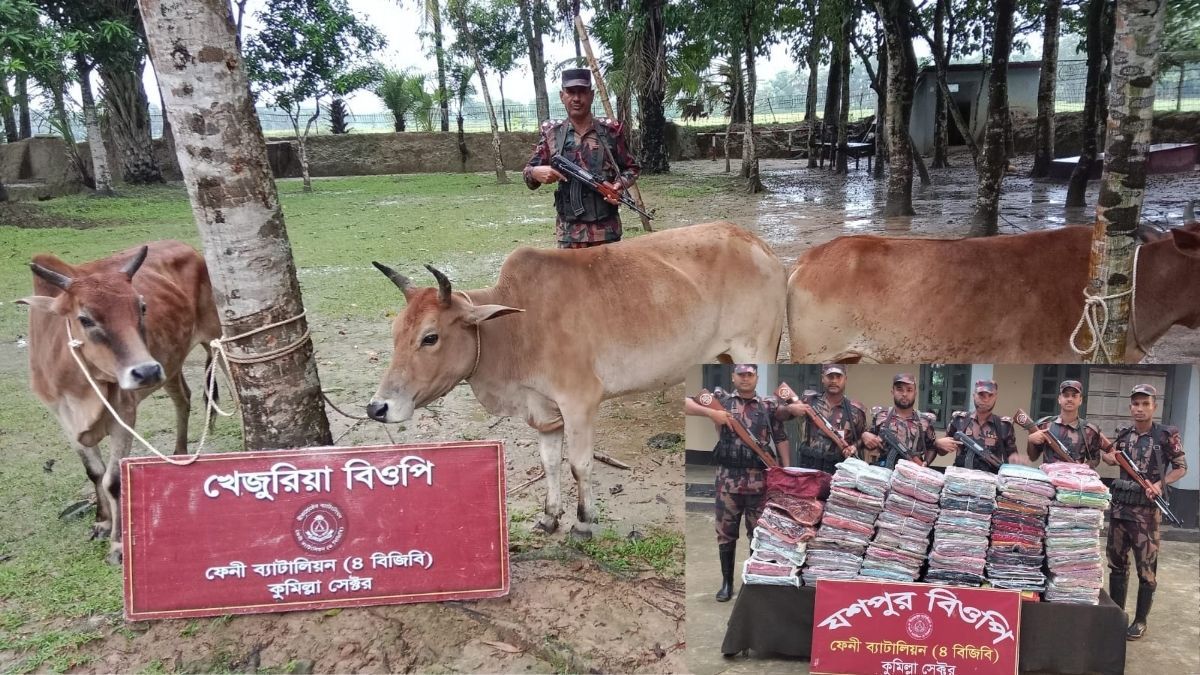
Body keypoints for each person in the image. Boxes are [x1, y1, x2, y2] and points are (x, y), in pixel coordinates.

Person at [684, 364, 790, 602]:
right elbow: (685, 404)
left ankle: (752, 582)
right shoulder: (721, 401)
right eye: (740, 374)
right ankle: (727, 583)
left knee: (758, 534)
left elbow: (781, 437)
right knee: (725, 534)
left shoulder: (767, 406)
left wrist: (784, 470)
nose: (745, 378)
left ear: (757, 378)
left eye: (749, 374)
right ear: (733, 377)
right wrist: (711, 413)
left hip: (759, 481)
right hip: (727, 481)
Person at [1102, 384, 1187, 640]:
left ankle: (1140, 620)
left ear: (1154, 407)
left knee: (1146, 570)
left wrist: (1160, 484)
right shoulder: (1124, 434)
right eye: (1136, 404)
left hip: (1147, 515)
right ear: (1131, 407)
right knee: (1117, 565)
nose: (1140, 409)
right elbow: (1109, 455)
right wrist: (1109, 458)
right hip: (1120, 510)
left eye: (1145, 404)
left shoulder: (1165, 435)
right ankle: (1117, 616)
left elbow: (1181, 467)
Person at [522, 68, 641, 249]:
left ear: (591, 95)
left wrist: (618, 186)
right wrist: (535, 172)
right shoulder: (552, 134)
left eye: (582, 92)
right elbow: (528, 175)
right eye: (571, 92)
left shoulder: (610, 132)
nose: (576, 98)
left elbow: (631, 168)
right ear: (562, 96)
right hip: (569, 235)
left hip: (606, 233)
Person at [778, 364, 866, 473]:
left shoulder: (855, 411)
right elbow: (778, 415)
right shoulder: (808, 401)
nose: (834, 381)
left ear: (845, 379)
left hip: (838, 473)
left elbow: (863, 438)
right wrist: (789, 409)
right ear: (822, 378)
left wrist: (854, 447)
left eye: (838, 377)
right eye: (830, 376)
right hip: (809, 469)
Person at [934, 379, 1017, 472]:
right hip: (961, 477)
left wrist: (1016, 460)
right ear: (974, 396)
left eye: (990, 395)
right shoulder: (959, 420)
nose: (986, 399)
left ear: (996, 397)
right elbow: (942, 452)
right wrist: (938, 443)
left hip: (990, 478)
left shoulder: (1004, 426)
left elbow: (1012, 458)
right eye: (981, 395)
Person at [860, 373, 937, 468]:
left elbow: (932, 448)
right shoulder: (881, 416)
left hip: (913, 469)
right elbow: (868, 438)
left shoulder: (924, 421)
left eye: (909, 390)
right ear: (892, 392)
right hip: (884, 469)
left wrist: (925, 463)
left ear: (915, 393)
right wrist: (864, 436)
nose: (904, 394)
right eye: (899, 389)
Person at [1025, 379, 1106, 468]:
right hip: (1049, 475)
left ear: (1080, 400)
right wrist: (1031, 441)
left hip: (1076, 475)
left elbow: (1094, 459)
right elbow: (1033, 457)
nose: (1070, 399)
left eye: (1074, 396)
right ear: (1059, 399)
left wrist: (1083, 468)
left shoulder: (1089, 430)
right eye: (1066, 395)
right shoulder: (1044, 426)